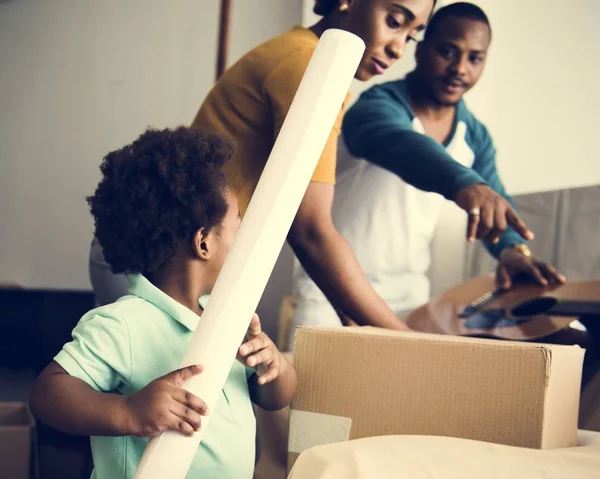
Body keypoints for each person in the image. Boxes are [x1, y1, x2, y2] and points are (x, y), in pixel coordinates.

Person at [88, 0, 438, 335]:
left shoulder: (299, 51)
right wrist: (405, 337)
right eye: (394, 21)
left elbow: (301, 224)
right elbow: (311, 230)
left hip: (174, 260)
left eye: (411, 35)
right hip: (160, 264)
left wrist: (353, 317)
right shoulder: (308, 66)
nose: (398, 49)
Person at [30, 127, 297, 479]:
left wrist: (273, 365)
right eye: (237, 227)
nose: (243, 238)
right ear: (203, 242)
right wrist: (127, 411)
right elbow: (47, 394)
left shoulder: (227, 318)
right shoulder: (123, 323)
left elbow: (278, 399)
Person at [291, 2, 566, 340]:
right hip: (329, 291)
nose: (459, 69)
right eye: (447, 52)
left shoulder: (475, 137)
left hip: (409, 299)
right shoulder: (374, 107)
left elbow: (494, 199)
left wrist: (512, 251)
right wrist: (464, 183)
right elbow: (404, 145)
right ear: (420, 51)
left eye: (474, 58)